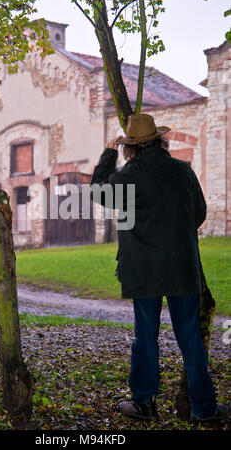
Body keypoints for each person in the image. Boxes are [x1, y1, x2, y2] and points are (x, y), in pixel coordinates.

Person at [90, 113, 230, 422]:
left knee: (146, 335)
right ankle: (204, 410)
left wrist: (108, 152)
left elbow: (97, 190)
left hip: (143, 269)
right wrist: (176, 236)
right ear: (159, 140)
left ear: (131, 148)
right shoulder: (182, 170)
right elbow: (200, 213)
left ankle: (143, 403)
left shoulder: (127, 176)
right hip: (182, 265)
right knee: (191, 337)